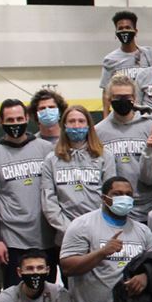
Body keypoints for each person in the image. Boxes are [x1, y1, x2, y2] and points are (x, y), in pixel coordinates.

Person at [0, 100, 55, 291]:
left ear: (27, 118)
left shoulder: (46, 149)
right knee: (16, 294)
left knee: (47, 292)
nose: (15, 123)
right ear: (1, 122)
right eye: (10, 120)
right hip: (13, 240)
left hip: (46, 237)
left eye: (19, 118)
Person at [41, 105, 109, 267]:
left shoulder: (105, 156)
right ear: (64, 125)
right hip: (65, 235)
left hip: (98, 233)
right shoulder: (51, 159)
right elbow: (49, 202)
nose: (77, 125)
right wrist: (70, 228)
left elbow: (109, 196)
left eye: (81, 121)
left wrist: (94, 228)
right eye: (72, 121)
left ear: (88, 125)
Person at [97, 75, 152, 221]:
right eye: (117, 97)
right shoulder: (98, 132)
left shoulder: (150, 127)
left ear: (135, 97)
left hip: (147, 208)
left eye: (127, 96)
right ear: (109, 99)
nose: (123, 101)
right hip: (113, 209)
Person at [99, 10, 152, 113]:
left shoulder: (149, 54)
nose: (124, 31)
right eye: (120, 28)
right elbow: (106, 93)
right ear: (116, 33)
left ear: (136, 31)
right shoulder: (110, 59)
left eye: (128, 28)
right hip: (123, 114)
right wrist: (105, 118)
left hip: (148, 113)